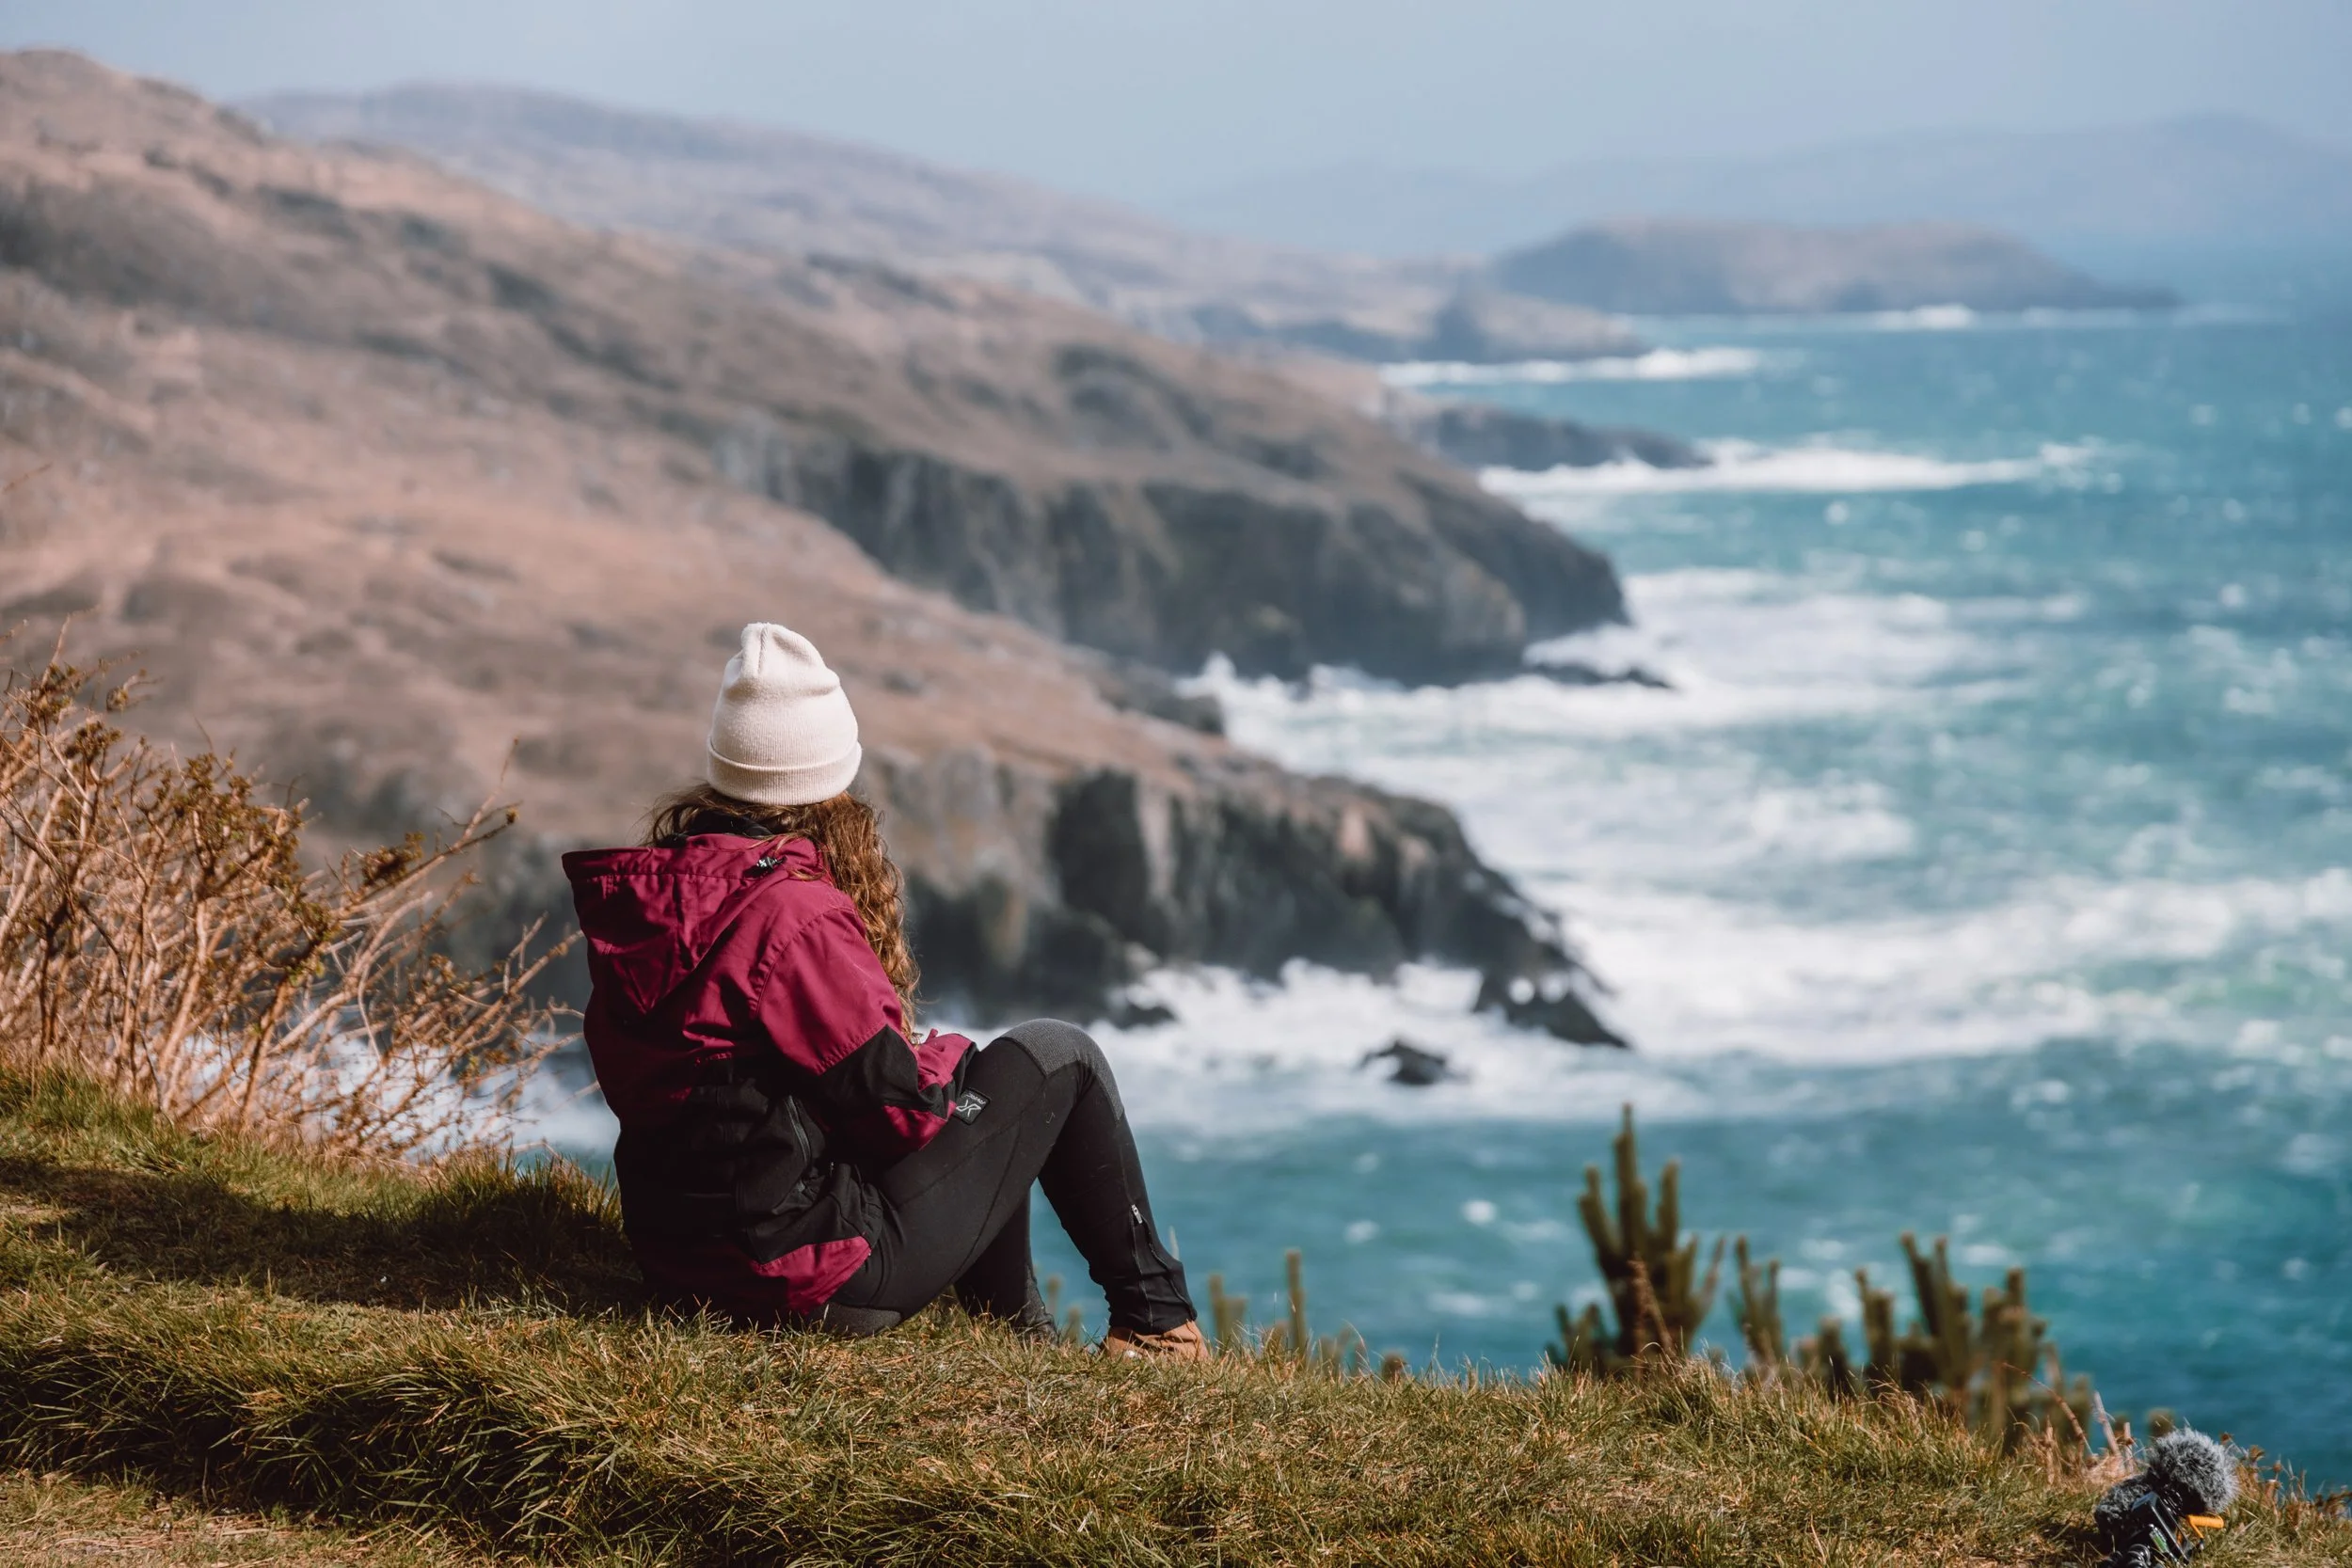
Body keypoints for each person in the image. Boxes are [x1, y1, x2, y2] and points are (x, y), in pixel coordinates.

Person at [562, 622, 1204, 1357]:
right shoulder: (788, 913)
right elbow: (904, 1115)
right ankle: (1160, 1328)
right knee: (1061, 1056)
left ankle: (1021, 1346)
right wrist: (954, 1059)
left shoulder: (656, 903)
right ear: (827, 778)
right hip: (801, 1278)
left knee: (979, 1101)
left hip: (680, 1265)